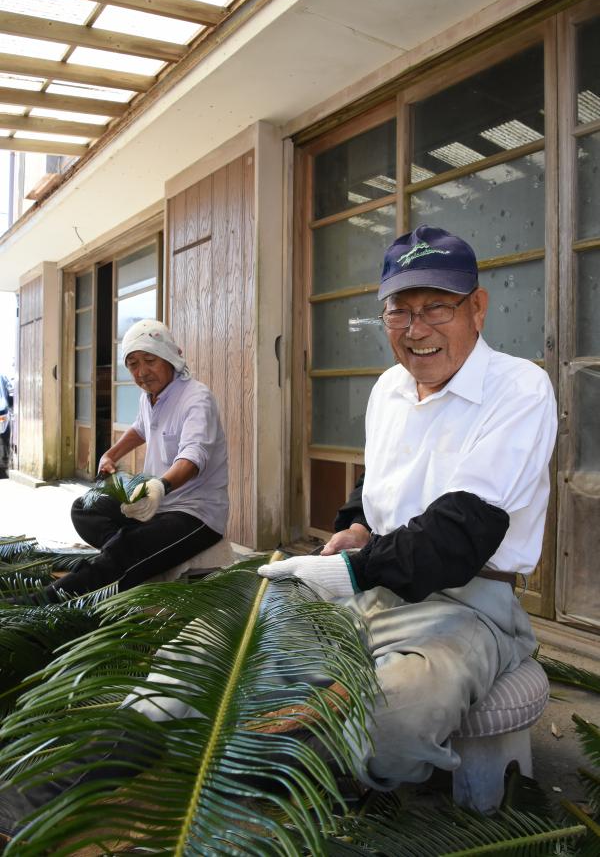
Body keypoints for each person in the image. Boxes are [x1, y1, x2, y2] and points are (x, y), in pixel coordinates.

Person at [259, 225, 558, 789]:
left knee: (396, 713)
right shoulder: (388, 388)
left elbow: (458, 536)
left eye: (437, 308)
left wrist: (348, 569)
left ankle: (290, 786)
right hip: (378, 583)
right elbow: (376, 483)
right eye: (400, 312)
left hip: (470, 603)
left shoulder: (520, 389)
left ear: (478, 308)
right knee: (238, 649)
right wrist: (353, 527)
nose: (417, 330)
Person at [50, 319, 228, 598]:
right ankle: (129, 554)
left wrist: (161, 486)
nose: (142, 372)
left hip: (195, 514)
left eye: (149, 360)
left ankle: (48, 599)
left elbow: (193, 456)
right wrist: (110, 454)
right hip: (155, 504)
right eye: (133, 364)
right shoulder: (150, 397)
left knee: (125, 548)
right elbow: (141, 428)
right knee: (85, 508)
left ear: (170, 358)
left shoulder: (196, 399)